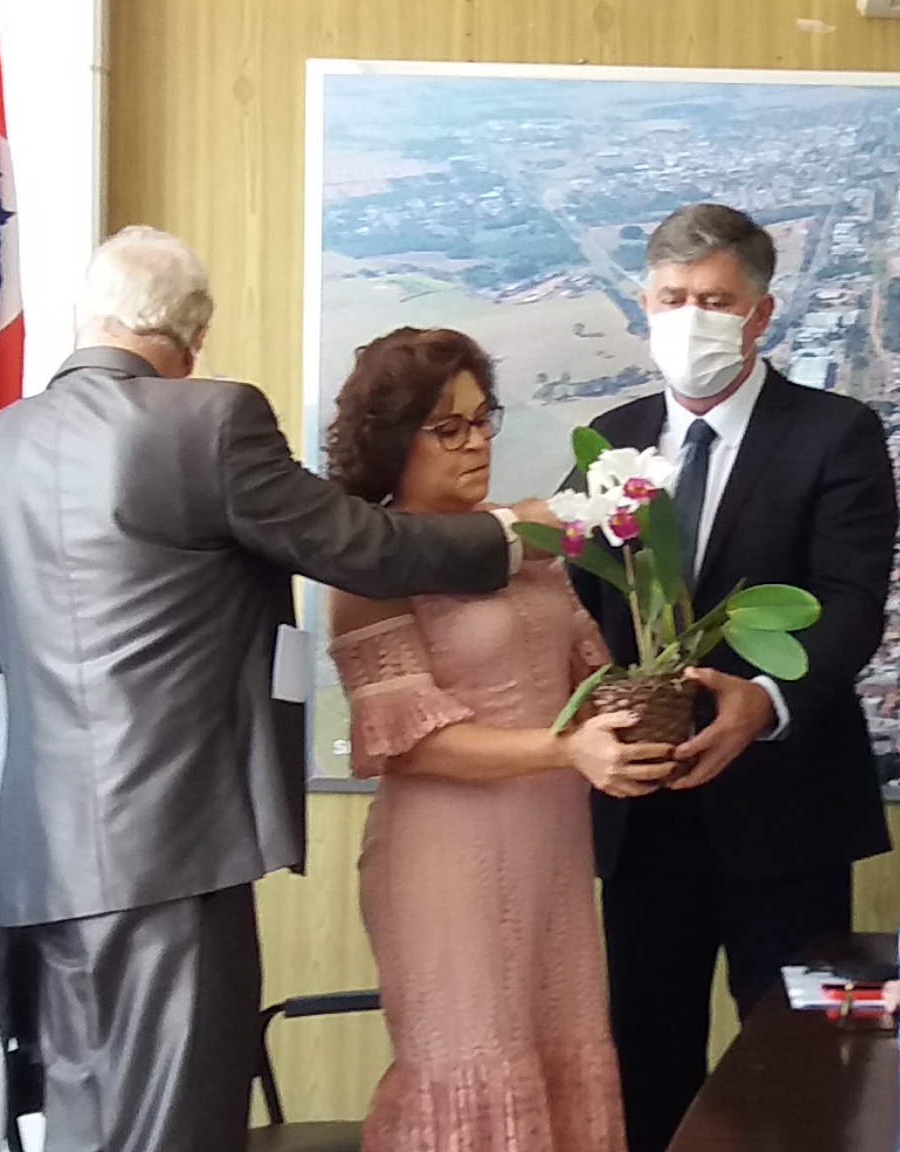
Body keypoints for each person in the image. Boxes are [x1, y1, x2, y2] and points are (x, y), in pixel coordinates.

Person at [0, 228, 553, 1152]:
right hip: (177, 845)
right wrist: (514, 534)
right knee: (180, 1127)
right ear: (196, 335)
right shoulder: (211, 420)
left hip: (42, 855)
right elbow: (365, 549)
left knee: (83, 1127)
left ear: (87, 317)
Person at [573, 203, 900, 1152]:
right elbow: (583, 612)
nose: (689, 318)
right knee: (647, 1075)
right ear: (644, 304)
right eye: (671, 297)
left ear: (760, 314)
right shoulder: (609, 441)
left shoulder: (836, 434)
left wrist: (764, 702)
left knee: (794, 1084)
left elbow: (851, 604)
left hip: (785, 817)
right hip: (644, 817)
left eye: (713, 301)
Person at [326, 327, 671, 1152]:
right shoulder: (371, 563)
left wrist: (665, 685)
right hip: (444, 856)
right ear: (393, 440)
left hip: (551, 847)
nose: (476, 442)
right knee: (469, 1076)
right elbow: (410, 743)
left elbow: (588, 675)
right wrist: (565, 752)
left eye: (484, 420)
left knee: (562, 1060)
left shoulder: (525, 541)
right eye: (448, 428)